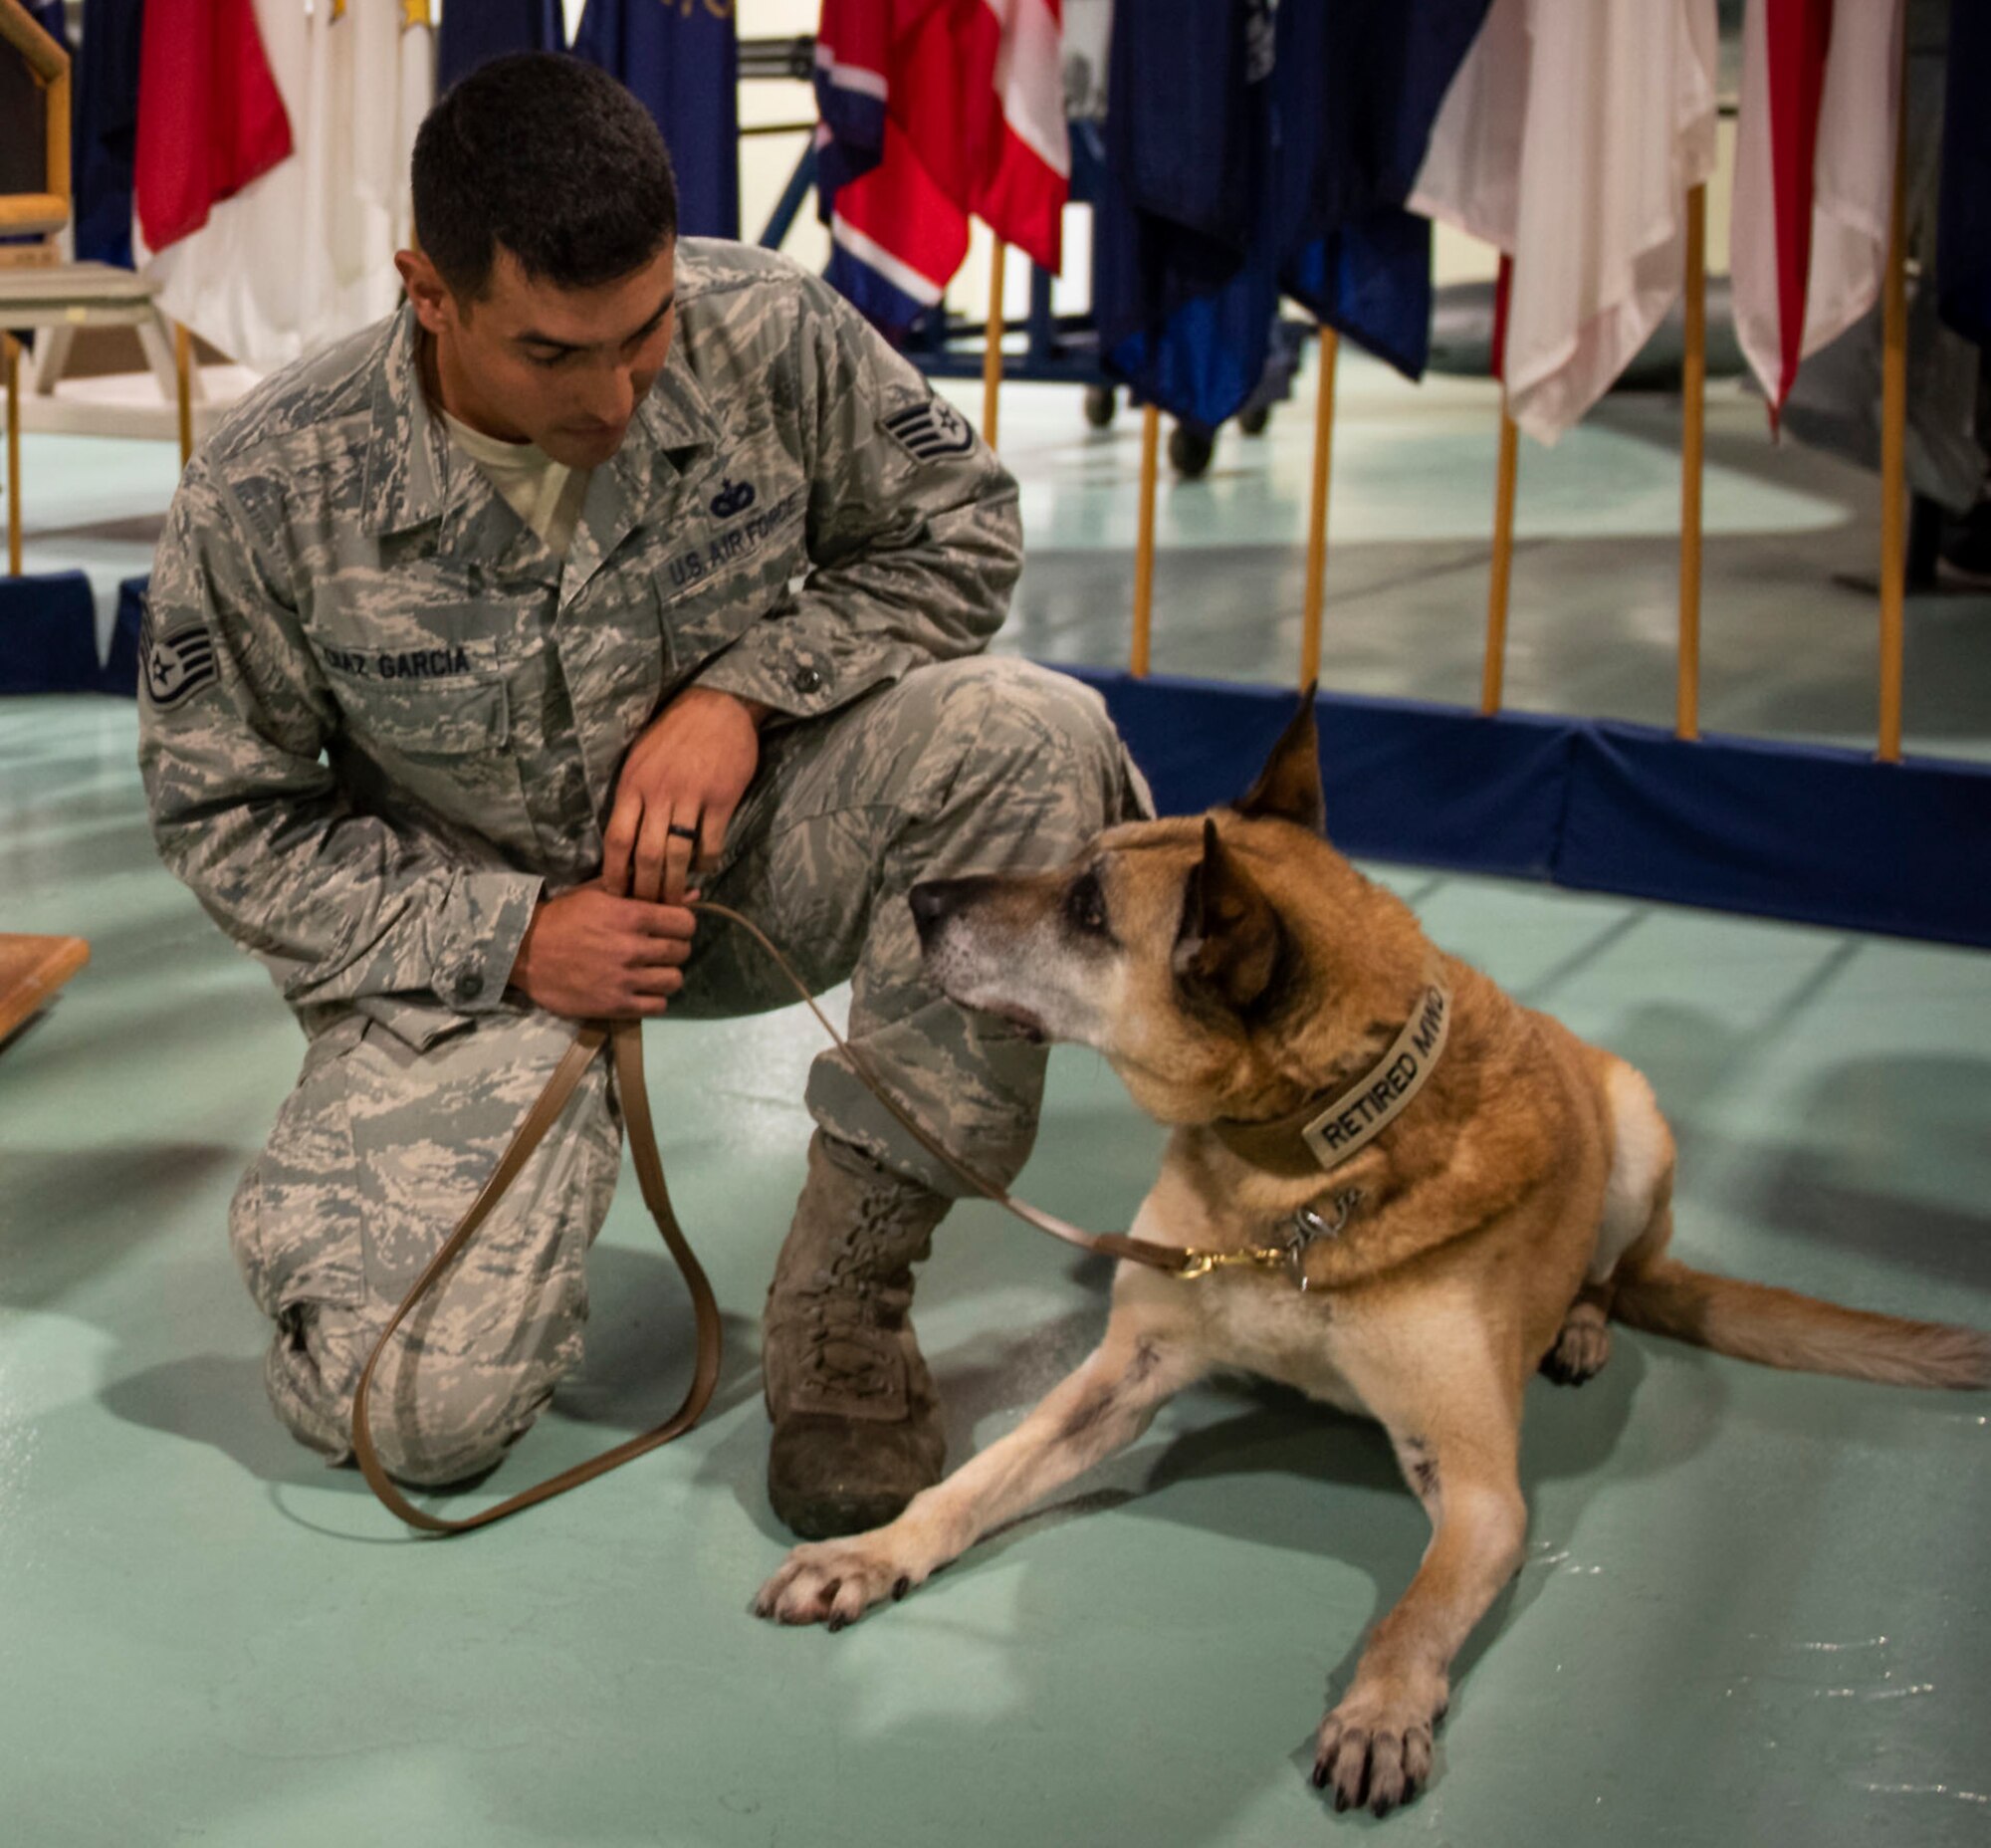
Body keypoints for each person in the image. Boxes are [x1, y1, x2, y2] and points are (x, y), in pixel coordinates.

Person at [137, 54, 1147, 1539]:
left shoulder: (766, 330)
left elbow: (961, 536)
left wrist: (745, 694)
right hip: (469, 957)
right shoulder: (277, 488)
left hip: (748, 867)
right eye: (552, 354)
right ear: (430, 291)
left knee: (1027, 735)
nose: (615, 393)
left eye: (646, 330)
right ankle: (349, 1203)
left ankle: (846, 1302)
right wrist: (510, 935)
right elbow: (228, 817)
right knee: (421, 1420)